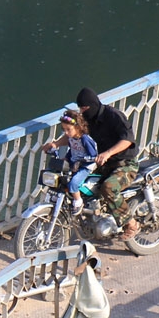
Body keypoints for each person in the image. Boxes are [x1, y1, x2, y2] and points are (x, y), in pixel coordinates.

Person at [47, 87, 140, 239]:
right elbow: (74, 134)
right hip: (100, 163)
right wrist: (56, 144)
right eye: (80, 108)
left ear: (93, 104)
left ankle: (131, 223)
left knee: (108, 188)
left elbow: (127, 140)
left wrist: (108, 153)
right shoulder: (86, 119)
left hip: (124, 164)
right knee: (74, 182)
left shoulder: (114, 116)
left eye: (84, 108)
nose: (82, 111)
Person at [53, 109, 99, 214]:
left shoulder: (85, 139)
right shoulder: (71, 138)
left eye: (68, 129)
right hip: (74, 164)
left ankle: (78, 202)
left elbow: (93, 155)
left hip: (85, 166)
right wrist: (66, 158)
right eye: (64, 129)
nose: (66, 132)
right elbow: (72, 151)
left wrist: (83, 161)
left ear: (77, 127)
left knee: (73, 183)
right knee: (59, 178)